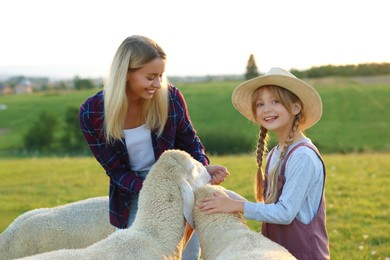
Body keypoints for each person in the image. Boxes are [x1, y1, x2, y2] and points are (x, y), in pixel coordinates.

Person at [78, 35, 229, 259]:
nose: (158, 84)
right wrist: (153, 188)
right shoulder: (93, 112)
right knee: (134, 253)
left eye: (160, 76)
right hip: (131, 191)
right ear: (127, 73)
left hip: (178, 182)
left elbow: (191, 143)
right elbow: (115, 170)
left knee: (186, 255)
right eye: (150, 77)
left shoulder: (170, 97)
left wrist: (201, 171)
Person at [199, 67, 330, 259]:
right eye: (260, 104)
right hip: (274, 253)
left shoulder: (303, 156)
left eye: (275, 101)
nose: (266, 109)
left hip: (304, 254)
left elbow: (285, 213)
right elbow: (269, 208)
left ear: (295, 107)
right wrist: (223, 197)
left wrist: (234, 205)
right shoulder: (274, 154)